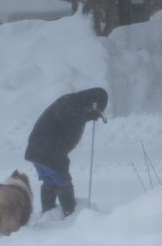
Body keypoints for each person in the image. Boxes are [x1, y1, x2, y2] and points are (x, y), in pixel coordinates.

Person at [24, 87, 108, 216]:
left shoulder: (72, 102)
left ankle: (48, 214)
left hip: (36, 148)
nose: (93, 111)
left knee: (49, 181)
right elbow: (70, 130)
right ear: (93, 102)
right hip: (49, 150)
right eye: (96, 108)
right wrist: (86, 115)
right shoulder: (74, 106)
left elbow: (66, 121)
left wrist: (86, 115)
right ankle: (70, 216)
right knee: (63, 180)